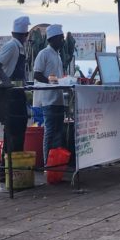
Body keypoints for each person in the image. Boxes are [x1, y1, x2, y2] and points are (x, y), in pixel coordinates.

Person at [0, 16, 32, 156]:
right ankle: (6, 170)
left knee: (20, 129)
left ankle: (13, 167)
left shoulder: (20, 48)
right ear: (25, 35)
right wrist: (7, 83)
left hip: (19, 94)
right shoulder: (11, 46)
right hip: (11, 96)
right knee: (13, 132)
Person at [33, 24, 67, 153]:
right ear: (52, 39)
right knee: (50, 133)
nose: (62, 40)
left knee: (58, 133)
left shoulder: (57, 55)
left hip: (58, 100)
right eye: (60, 38)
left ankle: (55, 162)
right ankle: (48, 164)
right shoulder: (44, 54)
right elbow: (37, 74)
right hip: (48, 100)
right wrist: (50, 82)